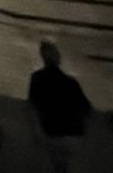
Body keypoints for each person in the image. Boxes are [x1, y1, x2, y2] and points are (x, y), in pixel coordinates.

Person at [27, 41, 93, 170]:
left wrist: (36, 130)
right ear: (57, 58)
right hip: (72, 133)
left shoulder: (37, 78)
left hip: (51, 131)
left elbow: (32, 106)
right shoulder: (71, 82)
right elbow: (86, 108)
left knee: (57, 165)